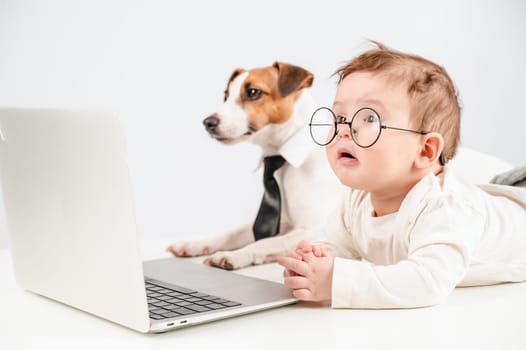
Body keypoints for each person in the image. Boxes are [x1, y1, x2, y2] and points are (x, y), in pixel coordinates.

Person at [277, 41, 526, 309]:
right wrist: (312, 262)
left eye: (369, 118)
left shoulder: (445, 209)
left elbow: (427, 282)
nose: (344, 130)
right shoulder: (357, 201)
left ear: (426, 150)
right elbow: (334, 244)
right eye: (339, 118)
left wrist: (336, 281)